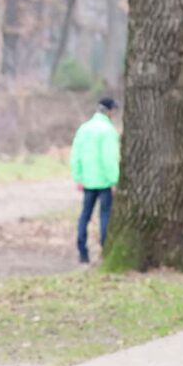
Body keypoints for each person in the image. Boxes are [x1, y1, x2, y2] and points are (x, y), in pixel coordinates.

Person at [70, 97, 120, 264]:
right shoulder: (108, 131)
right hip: (105, 182)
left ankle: (82, 251)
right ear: (110, 111)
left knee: (85, 215)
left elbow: (75, 155)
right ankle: (105, 249)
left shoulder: (84, 129)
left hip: (88, 180)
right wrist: (114, 180)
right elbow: (109, 158)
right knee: (105, 215)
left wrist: (78, 176)